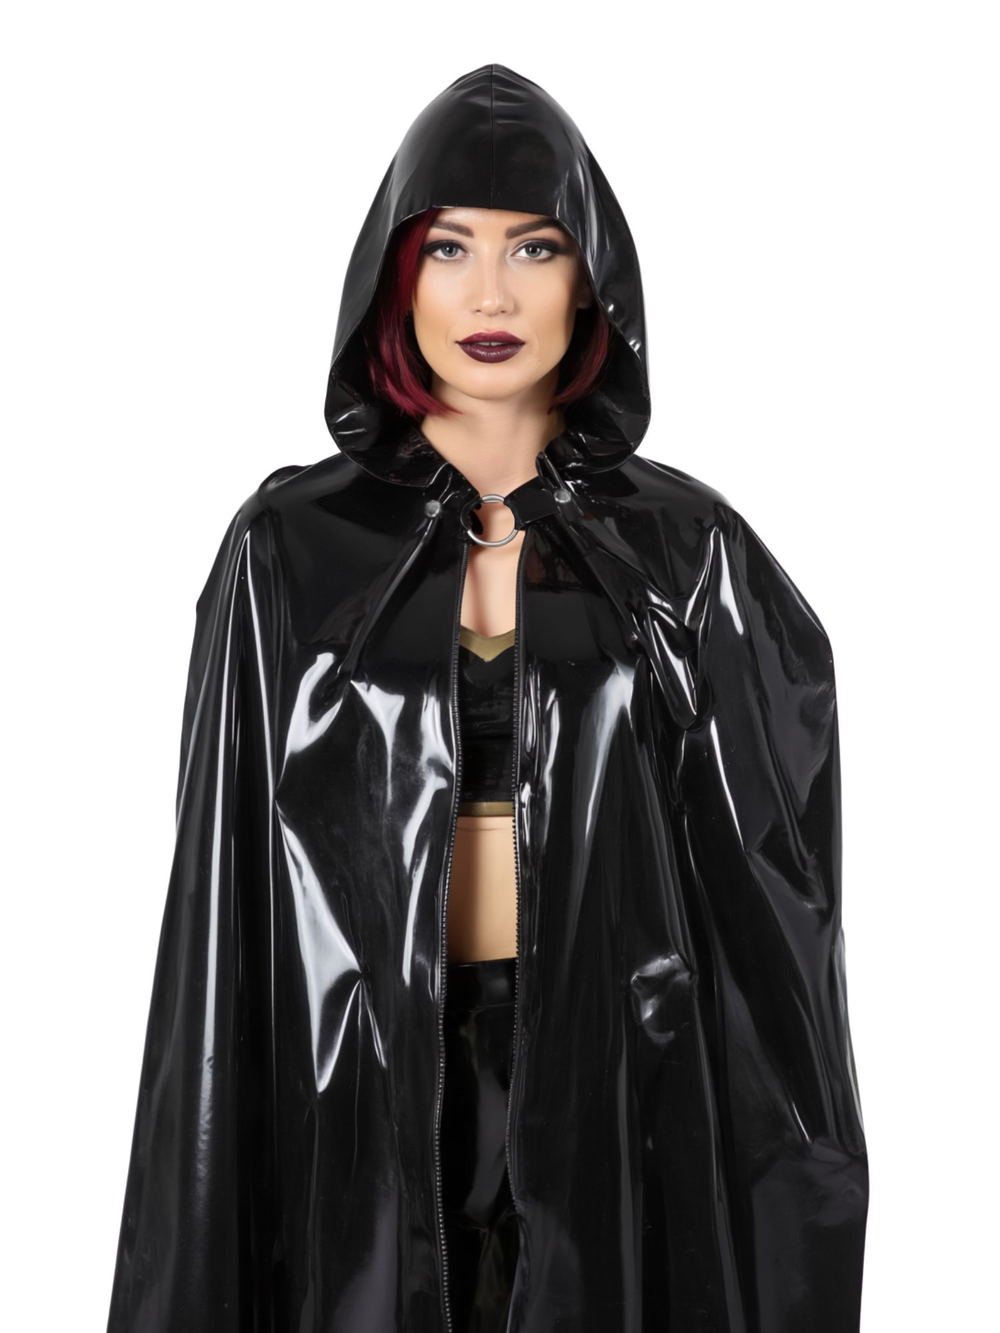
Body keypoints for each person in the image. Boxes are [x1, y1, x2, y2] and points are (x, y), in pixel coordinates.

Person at [106, 63, 869, 1333]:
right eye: (450, 248)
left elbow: (774, 921)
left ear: (592, 281)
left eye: (535, 247)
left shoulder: (687, 554)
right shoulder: (288, 551)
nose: (492, 295)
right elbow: (221, 905)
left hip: (611, 1091)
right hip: (357, 1085)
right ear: (396, 277)